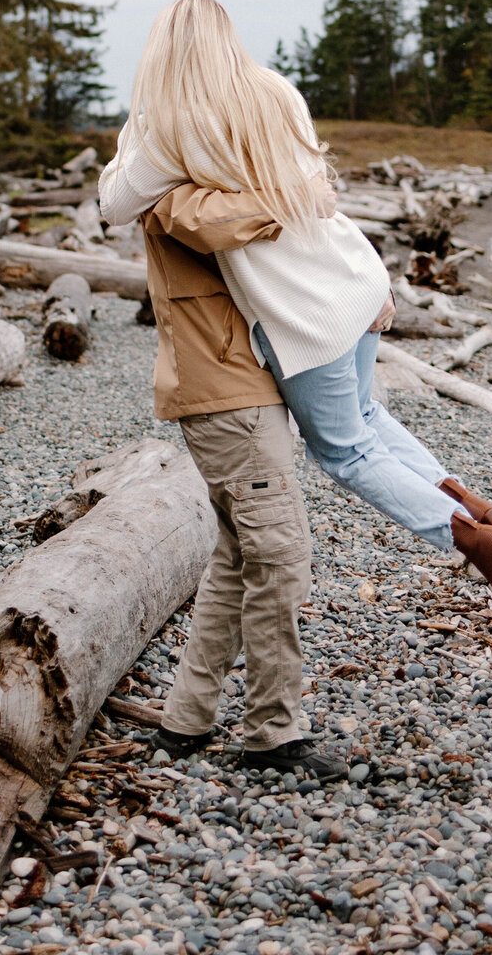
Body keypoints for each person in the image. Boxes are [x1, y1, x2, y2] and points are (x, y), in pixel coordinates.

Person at [99, 0, 492, 641]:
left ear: (161, 54)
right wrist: (380, 280)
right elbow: (319, 198)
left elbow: (114, 201)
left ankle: (475, 543)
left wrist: (137, 125)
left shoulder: (173, 126)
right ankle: (475, 506)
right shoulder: (276, 93)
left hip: (306, 321)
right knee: (369, 419)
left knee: (347, 453)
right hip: (354, 279)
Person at [131, 173, 349, 781]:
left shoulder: (192, 191)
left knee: (237, 556)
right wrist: (301, 195)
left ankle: (186, 720)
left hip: (236, 395)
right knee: (280, 557)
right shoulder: (176, 196)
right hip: (230, 402)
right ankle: (272, 733)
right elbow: (209, 222)